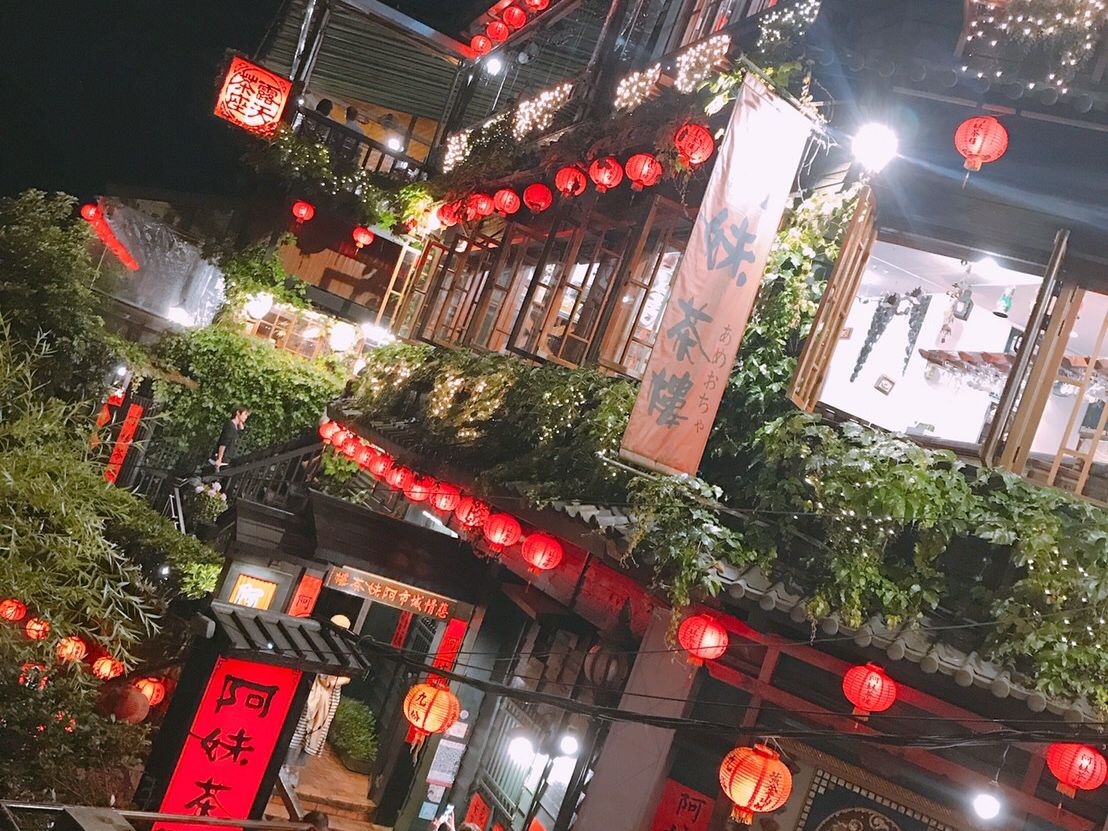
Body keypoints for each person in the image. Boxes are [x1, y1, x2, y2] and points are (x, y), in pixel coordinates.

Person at [210, 406, 249, 471]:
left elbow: (241, 432)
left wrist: (240, 424)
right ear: (238, 413)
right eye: (245, 414)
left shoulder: (235, 427)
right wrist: (219, 459)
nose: (246, 417)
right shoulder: (230, 426)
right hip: (222, 460)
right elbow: (223, 443)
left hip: (226, 458)